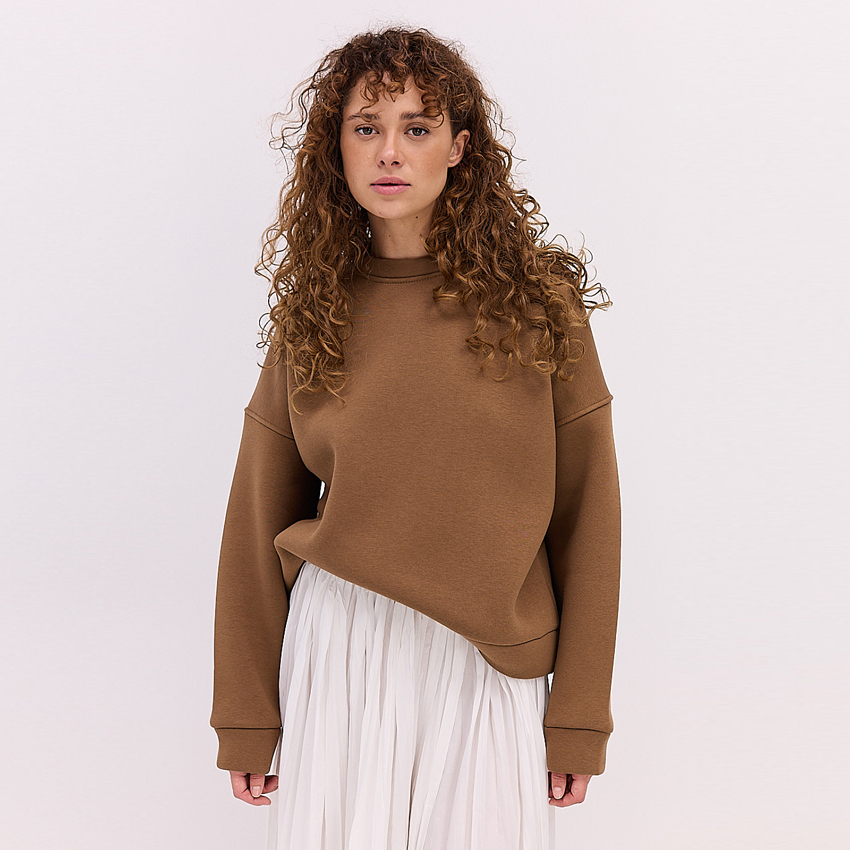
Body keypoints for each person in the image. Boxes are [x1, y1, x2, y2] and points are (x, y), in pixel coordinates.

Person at [210, 25, 621, 850]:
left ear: (460, 147)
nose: (389, 151)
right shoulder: (315, 310)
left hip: (487, 656)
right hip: (342, 645)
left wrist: (580, 716)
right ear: (336, 147)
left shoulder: (538, 305)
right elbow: (257, 514)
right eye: (366, 127)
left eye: (417, 127)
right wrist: (246, 715)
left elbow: (588, 513)